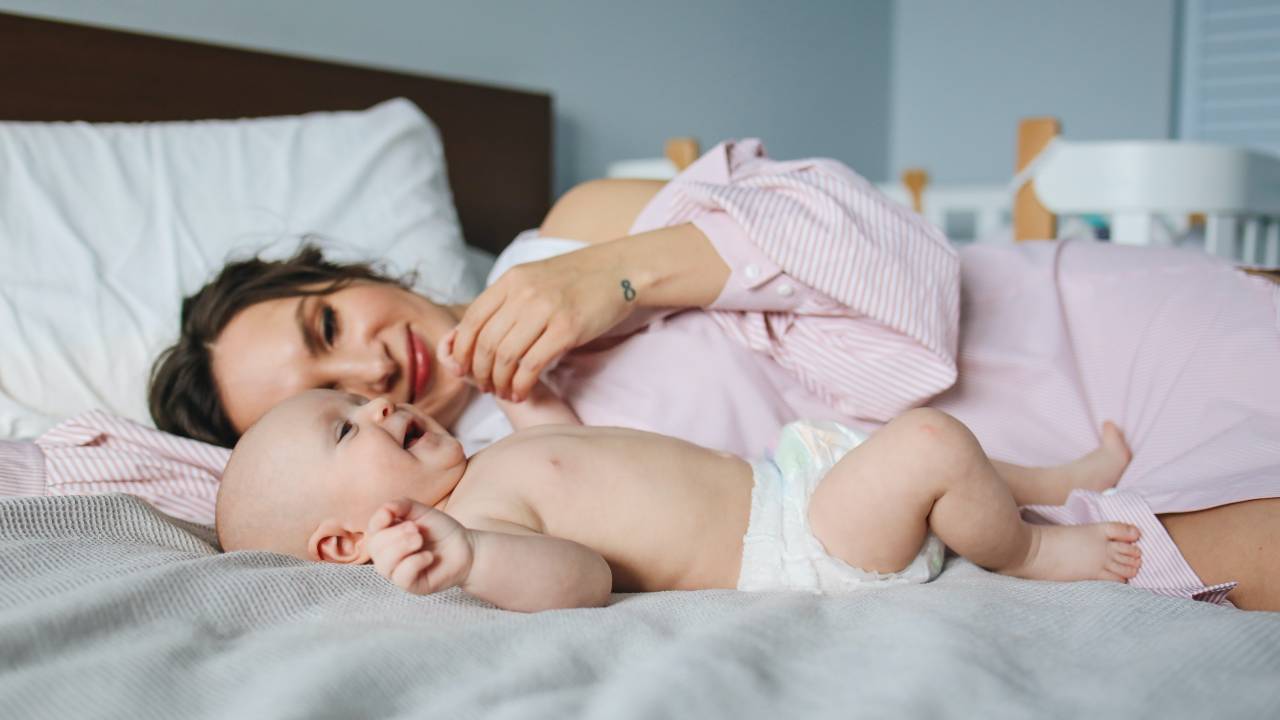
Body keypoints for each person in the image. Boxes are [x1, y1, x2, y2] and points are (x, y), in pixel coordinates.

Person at [150, 139, 1280, 610]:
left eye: (328, 322)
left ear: (356, 273)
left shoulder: (570, 234)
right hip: (955, 499)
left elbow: (890, 260)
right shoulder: (491, 486)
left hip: (1038, 340)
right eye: (320, 406)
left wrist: (619, 279)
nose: (369, 371)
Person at [216, 388, 1142, 611]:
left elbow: (572, 444)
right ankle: (1026, 550)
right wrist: (469, 558)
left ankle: (1055, 483)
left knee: (903, 434)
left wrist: (530, 388)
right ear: (342, 546)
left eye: (354, 397)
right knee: (930, 445)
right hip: (798, 547)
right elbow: (580, 578)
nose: (376, 402)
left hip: (788, 478)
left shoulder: (496, 455)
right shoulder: (475, 523)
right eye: (345, 430)